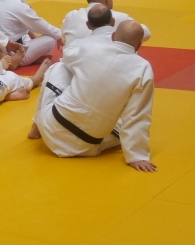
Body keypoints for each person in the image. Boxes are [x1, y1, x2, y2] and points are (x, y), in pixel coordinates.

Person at [30, 20, 156, 171]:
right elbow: (138, 114)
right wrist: (137, 156)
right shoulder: (143, 68)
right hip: (87, 144)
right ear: (139, 46)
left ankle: (36, 125)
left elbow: (67, 57)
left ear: (113, 36)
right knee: (120, 121)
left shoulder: (91, 48)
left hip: (50, 126)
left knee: (59, 67)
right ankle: (134, 151)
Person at [59, 0, 152, 46]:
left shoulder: (71, 15)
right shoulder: (120, 17)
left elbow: (63, 34)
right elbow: (146, 33)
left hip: (71, 65)